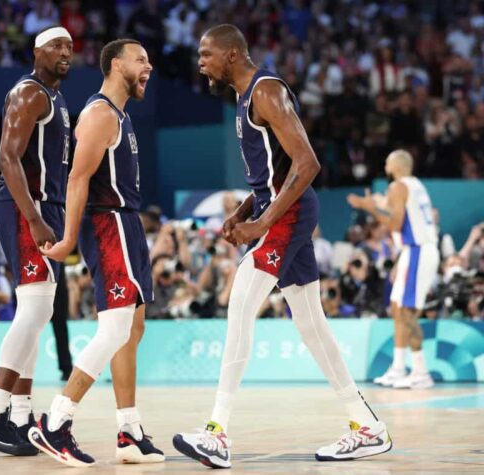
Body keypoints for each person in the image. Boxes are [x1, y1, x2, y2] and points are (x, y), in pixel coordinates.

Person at [173, 24, 391, 468]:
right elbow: (276, 170)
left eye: (206, 53)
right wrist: (244, 211)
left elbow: (306, 162)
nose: (201, 61)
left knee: (240, 304)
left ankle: (217, 432)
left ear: (232, 54)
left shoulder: (265, 90)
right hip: (281, 209)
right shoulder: (244, 97)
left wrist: (263, 222)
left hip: (288, 214)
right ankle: (367, 426)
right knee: (310, 323)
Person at [38, 38, 164, 466]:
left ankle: (128, 431)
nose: (149, 66)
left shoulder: (121, 116)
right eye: (140, 59)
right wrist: (70, 238)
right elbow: (77, 180)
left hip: (126, 223)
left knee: (133, 329)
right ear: (114, 65)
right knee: (113, 330)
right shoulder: (98, 113)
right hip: (108, 224)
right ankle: (55, 422)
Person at [0, 26, 74, 457]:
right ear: (37, 52)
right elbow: (6, 158)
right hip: (24, 206)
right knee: (34, 307)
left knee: (41, 308)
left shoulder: (57, 98)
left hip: (46, 208)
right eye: (56, 46)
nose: (65, 52)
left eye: (69, 46)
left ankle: (20, 416)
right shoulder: (29, 93)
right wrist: (33, 217)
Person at [348, 149, 439, 389]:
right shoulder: (414, 185)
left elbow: (395, 224)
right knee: (398, 309)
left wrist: (370, 208)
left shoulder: (398, 186)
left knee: (407, 312)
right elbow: (398, 213)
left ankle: (420, 372)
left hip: (418, 249)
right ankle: (399, 368)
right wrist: (376, 204)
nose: (385, 164)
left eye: (387, 161)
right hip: (413, 250)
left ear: (394, 165)